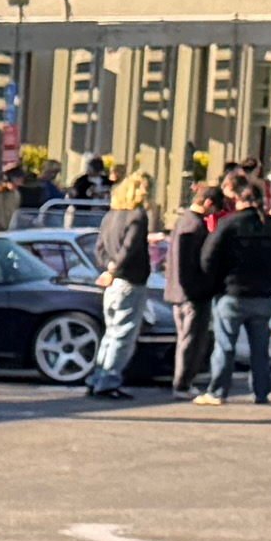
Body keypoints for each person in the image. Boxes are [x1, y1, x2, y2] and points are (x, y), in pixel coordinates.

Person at [190, 178, 271, 405]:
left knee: (225, 346)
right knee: (260, 349)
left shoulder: (228, 224)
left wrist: (214, 283)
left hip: (231, 294)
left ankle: (218, 392)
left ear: (237, 198)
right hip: (262, 295)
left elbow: (208, 257)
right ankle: (261, 391)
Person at [86, 166, 160, 400]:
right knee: (124, 334)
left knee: (110, 332)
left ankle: (97, 377)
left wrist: (107, 267)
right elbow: (130, 248)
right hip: (129, 279)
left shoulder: (111, 215)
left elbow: (99, 248)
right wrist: (114, 268)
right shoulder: (138, 216)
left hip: (112, 282)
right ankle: (109, 380)